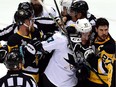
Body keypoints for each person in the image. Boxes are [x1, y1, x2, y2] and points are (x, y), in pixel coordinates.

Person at [25, 18, 94, 87]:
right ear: (78, 33)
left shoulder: (89, 46)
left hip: (71, 84)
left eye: (88, 34)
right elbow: (40, 46)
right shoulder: (62, 39)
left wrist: (85, 69)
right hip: (52, 81)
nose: (86, 38)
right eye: (84, 34)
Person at [7, 9, 42, 84]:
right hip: (25, 77)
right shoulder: (13, 39)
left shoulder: (35, 32)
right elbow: (17, 62)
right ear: (23, 22)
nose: (32, 22)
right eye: (29, 20)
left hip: (38, 74)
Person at [86, 18, 115, 87]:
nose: (104, 33)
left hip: (101, 82)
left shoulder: (110, 47)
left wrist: (90, 59)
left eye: (106, 30)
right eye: (101, 30)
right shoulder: (94, 36)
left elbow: (103, 68)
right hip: (89, 79)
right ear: (96, 29)